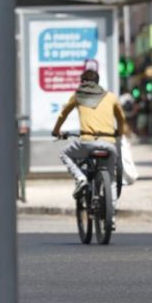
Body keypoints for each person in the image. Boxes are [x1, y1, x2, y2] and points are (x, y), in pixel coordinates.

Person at [51, 69, 126, 211]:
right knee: (111, 179)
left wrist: (56, 132)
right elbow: (121, 117)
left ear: (82, 82)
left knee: (64, 153)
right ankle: (111, 215)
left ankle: (81, 178)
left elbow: (62, 115)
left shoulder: (77, 95)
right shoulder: (111, 97)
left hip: (87, 142)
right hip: (109, 142)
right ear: (97, 82)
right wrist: (119, 132)